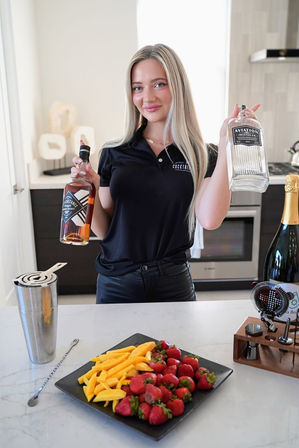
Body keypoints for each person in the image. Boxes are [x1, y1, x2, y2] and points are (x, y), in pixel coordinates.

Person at [71, 43, 259, 304]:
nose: (147, 97)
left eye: (159, 84)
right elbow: (106, 230)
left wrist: (227, 148)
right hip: (117, 282)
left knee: (177, 347)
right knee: (118, 348)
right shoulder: (113, 152)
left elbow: (210, 219)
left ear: (177, 88)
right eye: (138, 87)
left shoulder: (201, 154)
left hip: (173, 281)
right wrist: (90, 186)